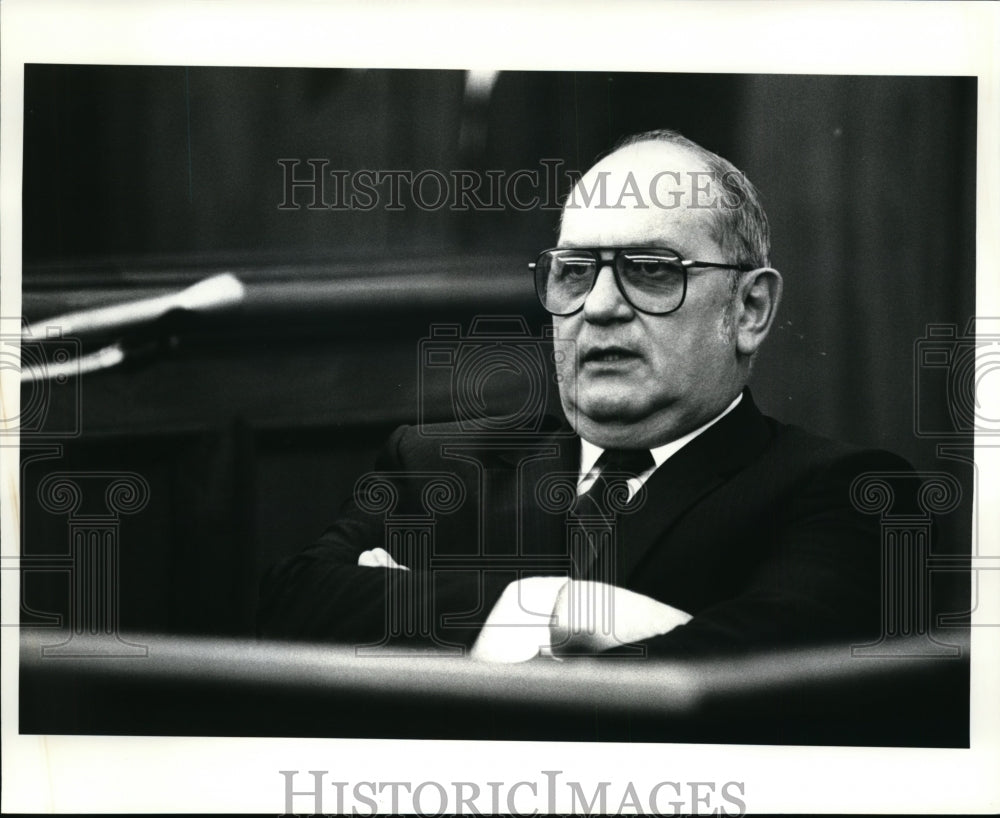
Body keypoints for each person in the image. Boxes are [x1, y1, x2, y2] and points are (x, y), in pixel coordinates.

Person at [257, 129, 907, 661]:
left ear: (750, 308)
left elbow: (745, 676)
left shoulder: (842, 492)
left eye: (651, 271)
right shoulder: (434, 465)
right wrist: (550, 611)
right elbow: (292, 607)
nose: (597, 308)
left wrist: (431, 620)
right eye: (573, 272)